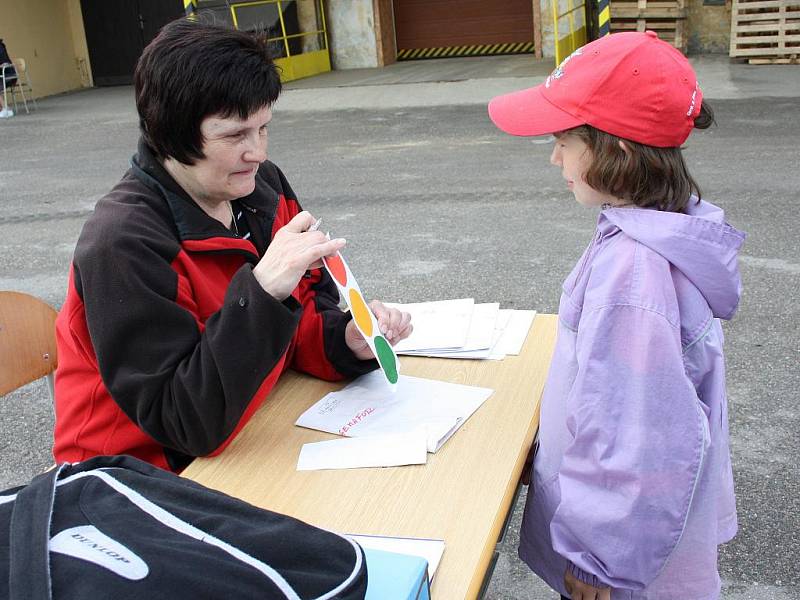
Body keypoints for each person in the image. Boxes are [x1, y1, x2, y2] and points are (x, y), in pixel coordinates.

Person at [53, 18, 412, 473]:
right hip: (142, 473)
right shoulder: (122, 243)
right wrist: (261, 292)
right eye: (234, 135)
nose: (257, 152)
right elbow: (184, 422)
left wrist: (345, 341)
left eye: (263, 128)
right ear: (172, 133)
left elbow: (304, 313)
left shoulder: (261, 188)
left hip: (252, 425)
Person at [488, 32, 745, 600]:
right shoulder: (658, 230)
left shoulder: (632, 273)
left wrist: (599, 558)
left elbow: (633, 431)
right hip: (654, 535)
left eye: (563, 139)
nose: (554, 156)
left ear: (617, 152)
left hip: (630, 565)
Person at [0, 38, 17, 118]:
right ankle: (4, 108)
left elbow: (5, 63)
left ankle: (5, 109)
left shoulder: (1, 47)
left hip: (8, 74)